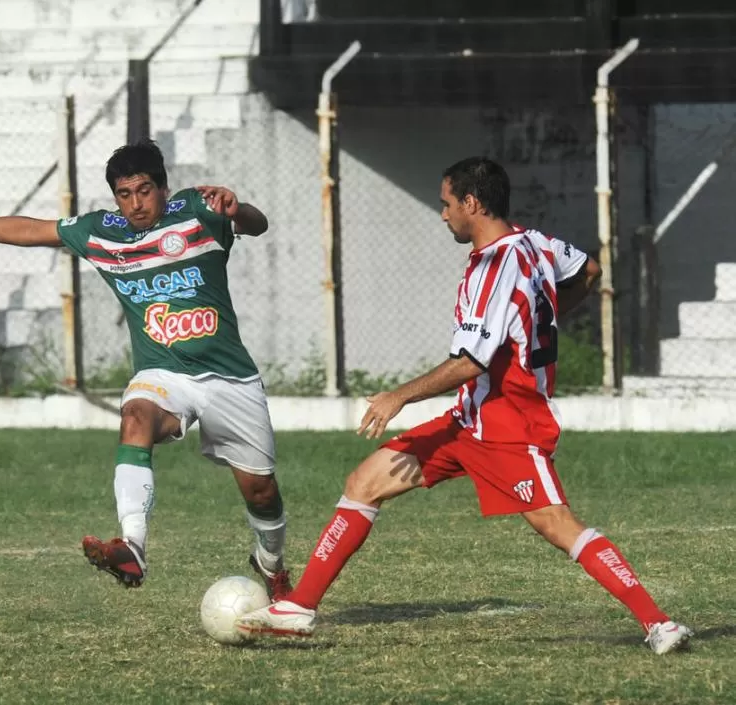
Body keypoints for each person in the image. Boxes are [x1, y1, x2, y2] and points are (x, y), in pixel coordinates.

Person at [235, 157, 693, 655]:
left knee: (558, 525)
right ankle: (298, 609)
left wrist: (398, 397)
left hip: (508, 425)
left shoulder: (493, 268)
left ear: (471, 203)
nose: (443, 214)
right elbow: (590, 270)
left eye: (447, 204)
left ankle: (659, 622)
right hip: (468, 420)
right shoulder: (534, 242)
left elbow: (469, 363)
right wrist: (540, 318)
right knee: (364, 482)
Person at [0, 140, 292, 599]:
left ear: (163, 187)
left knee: (262, 493)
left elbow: (257, 224)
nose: (136, 203)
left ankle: (272, 565)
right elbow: (32, 230)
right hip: (164, 374)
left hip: (229, 378)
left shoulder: (197, 211)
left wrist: (237, 207)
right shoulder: (105, 233)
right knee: (134, 417)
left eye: (144, 190)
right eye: (124, 194)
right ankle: (133, 545)